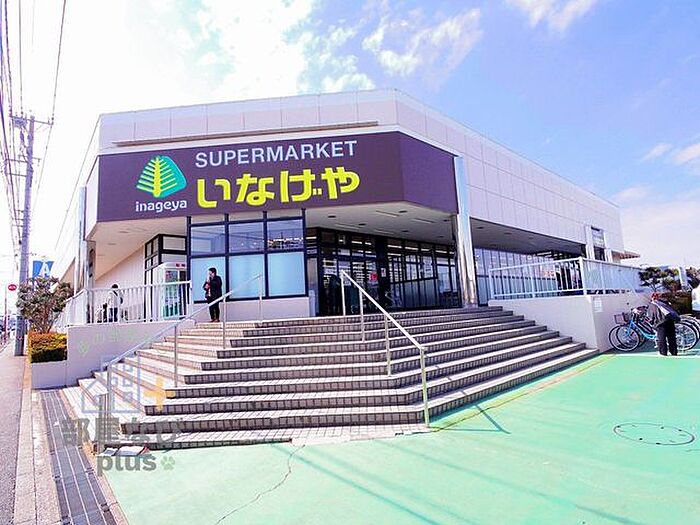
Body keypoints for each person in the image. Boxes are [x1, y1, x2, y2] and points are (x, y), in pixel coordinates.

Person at [647, 292, 681, 356]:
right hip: (670, 320)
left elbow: (651, 316)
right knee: (672, 337)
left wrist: (652, 323)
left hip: (660, 323)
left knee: (662, 338)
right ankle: (674, 351)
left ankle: (663, 352)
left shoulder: (653, 304)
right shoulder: (666, 303)